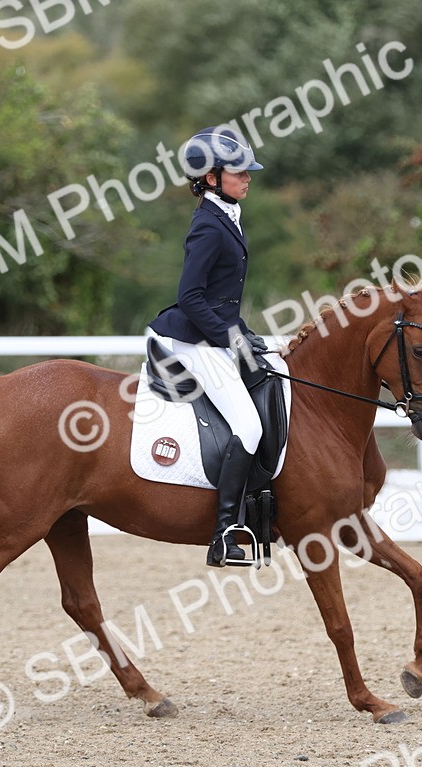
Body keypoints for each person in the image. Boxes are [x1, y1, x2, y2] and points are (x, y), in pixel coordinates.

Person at [147, 126, 276, 567]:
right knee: (249, 424)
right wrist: (230, 338)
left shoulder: (227, 215)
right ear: (211, 177)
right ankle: (224, 533)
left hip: (214, 332)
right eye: (239, 172)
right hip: (191, 338)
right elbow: (192, 298)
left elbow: (224, 300)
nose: (248, 177)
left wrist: (247, 335)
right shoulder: (208, 224)